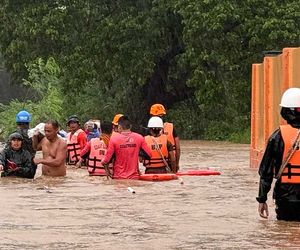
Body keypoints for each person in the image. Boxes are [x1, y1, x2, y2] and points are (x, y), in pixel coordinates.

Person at [257, 88, 300, 221]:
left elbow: (266, 173)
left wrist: (262, 199)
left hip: (285, 197)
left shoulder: (277, 137)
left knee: (285, 236)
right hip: (286, 196)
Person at [150, 104, 180, 172]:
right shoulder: (171, 127)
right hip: (170, 163)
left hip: (152, 168)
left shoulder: (149, 130)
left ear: (152, 116)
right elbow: (178, 148)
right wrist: (176, 165)